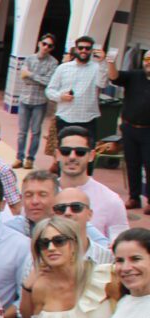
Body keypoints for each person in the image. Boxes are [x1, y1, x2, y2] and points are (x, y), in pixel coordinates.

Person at [54, 126, 130, 239]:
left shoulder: (111, 200)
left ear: (91, 156)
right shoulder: (42, 196)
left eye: (80, 152)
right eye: (65, 151)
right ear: (57, 155)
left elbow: (120, 246)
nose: (72, 157)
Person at [45, 35, 110, 142]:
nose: (83, 50)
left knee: (86, 154)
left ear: (91, 50)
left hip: (87, 119)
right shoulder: (63, 68)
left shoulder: (97, 67)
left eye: (87, 48)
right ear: (75, 49)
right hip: (65, 117)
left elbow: (103, 84)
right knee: (65, 152)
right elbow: (49, 90)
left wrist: (103, 62)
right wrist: (60, 96)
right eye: (80, 48)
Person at [109, 50, 150, 208]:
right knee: (132, 163)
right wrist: (111, 62)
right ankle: (134, 197)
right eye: (147, 59)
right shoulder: (134, 75)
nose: (148, 62)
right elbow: (114, 77)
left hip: (148, 130)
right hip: (130, 128)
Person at [14, 34, 58, 170]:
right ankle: (19, 157)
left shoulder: (53, 63)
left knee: (36, 132)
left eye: (49, 45)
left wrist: (31, 75)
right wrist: (37, 78)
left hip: (40, 102)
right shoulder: (29, 59)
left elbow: (48, 82)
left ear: (52, 48)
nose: (46, 47)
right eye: (44, 44)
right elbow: (23, 77)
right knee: (22, 132)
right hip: (25, 99)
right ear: (39, 43)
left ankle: (30, 159)